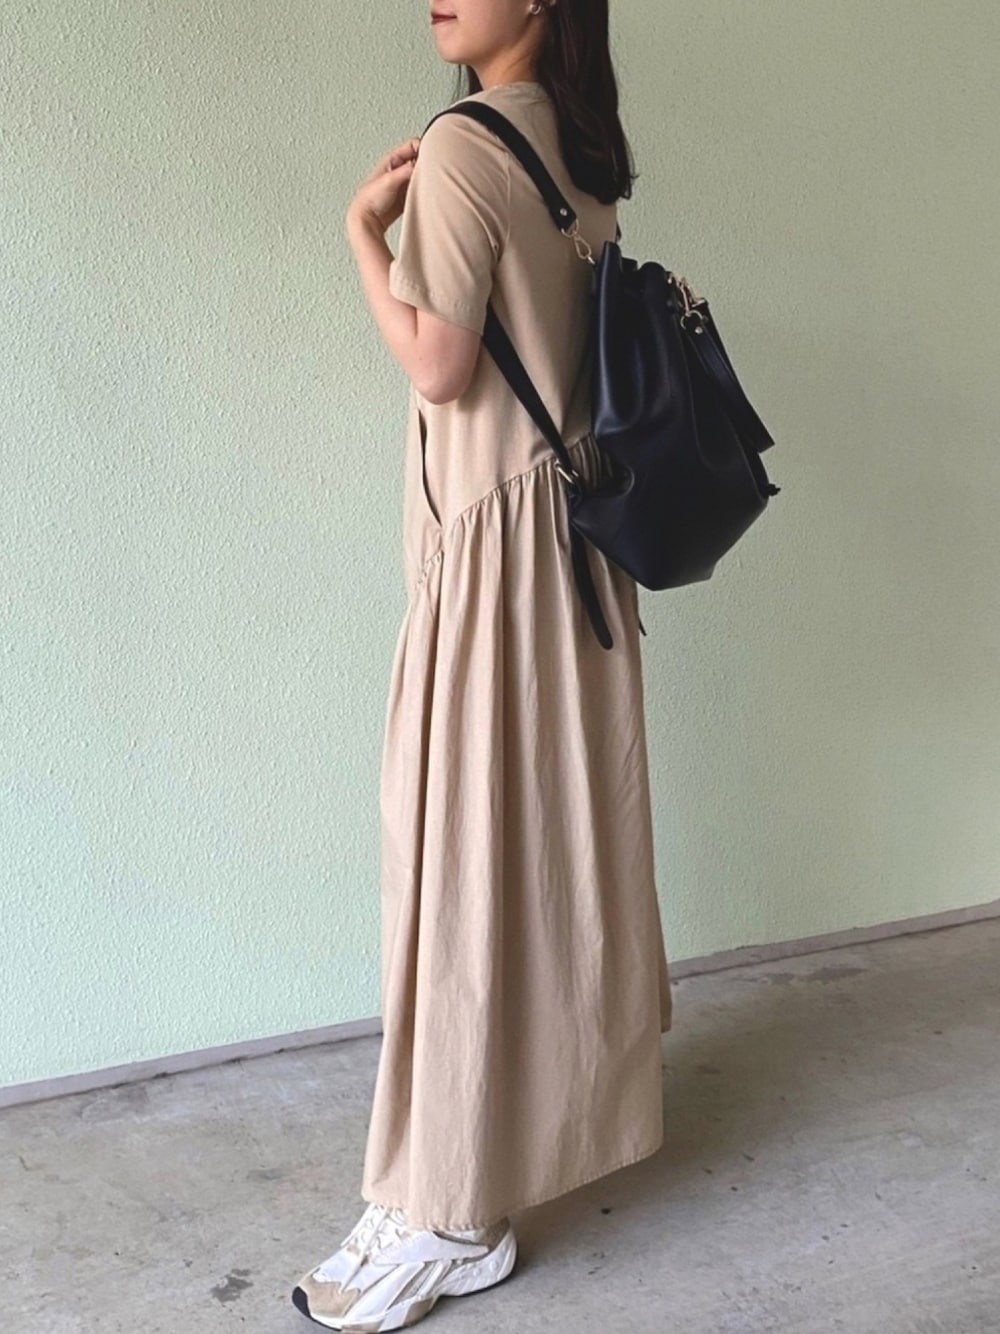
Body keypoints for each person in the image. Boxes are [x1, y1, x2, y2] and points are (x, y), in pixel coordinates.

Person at [292, 1, 673, 1328]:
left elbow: (442, 367)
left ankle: (449, 1210)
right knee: (546, 859)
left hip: (495, 559)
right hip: (579, 548)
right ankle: (458, 1176)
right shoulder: (581, 146)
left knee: (455, 871)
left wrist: (361, 237)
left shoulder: (464, 147)